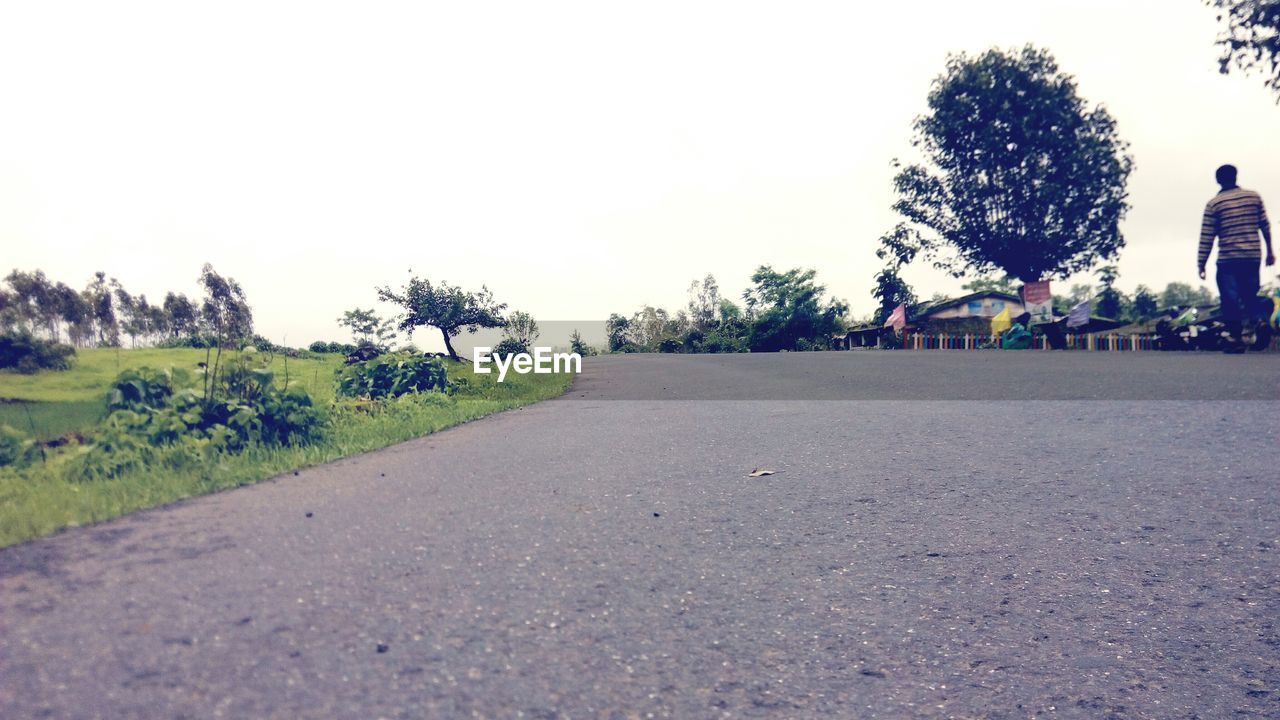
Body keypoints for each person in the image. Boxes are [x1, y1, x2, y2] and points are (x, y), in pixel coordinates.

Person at [1198, 164, 1276, 353]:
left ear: (1218, 180)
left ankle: (1236, 339)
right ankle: (1260, 321)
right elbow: (1265, 225)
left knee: (1230, 299)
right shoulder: (1253, 197)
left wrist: (1201, 263)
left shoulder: (1214, 204)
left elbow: (1207, 236)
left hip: (1228, 259)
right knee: (1250, 296)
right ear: (1235, 176)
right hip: (1252, 256)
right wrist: (1270, 252)